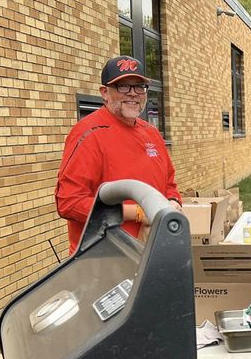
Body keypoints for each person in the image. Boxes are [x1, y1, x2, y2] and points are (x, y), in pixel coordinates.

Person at [55, 55, 182, 252]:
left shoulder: (151, 133)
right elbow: (69, 203)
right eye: (123, 86)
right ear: (104, 93)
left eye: (139, 86)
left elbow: (169, 184)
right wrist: (137, 213)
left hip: (152, 253)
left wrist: (173, 203)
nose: (133, 93)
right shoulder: (89, 134)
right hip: (105, 260)